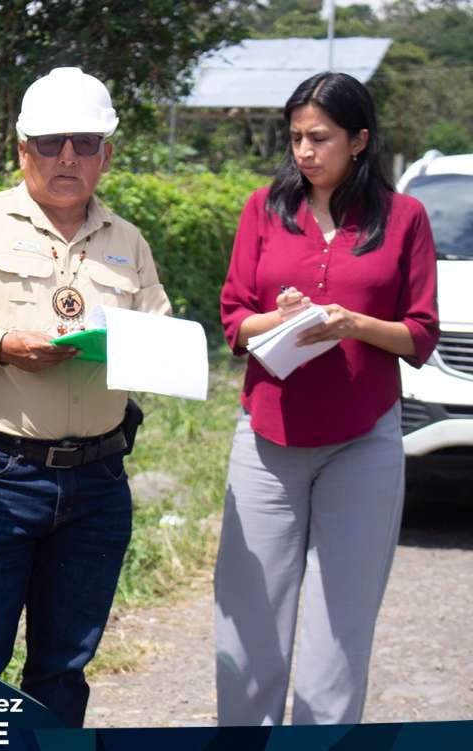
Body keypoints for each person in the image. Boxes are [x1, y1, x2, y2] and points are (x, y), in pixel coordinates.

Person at [0, 67, 171, 727]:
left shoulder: (126, 241)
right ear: (22, 149)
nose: (68, 157)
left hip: (99, 481)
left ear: (108, 152)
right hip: (2, 474)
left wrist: (136, 343)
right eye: (51, 143)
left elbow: (160, 329)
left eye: (84, 141)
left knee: (64, 665)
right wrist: (1, 345)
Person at [215, 72, 440, 725]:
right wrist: (281, 317)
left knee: (340, 628)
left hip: (362, 438)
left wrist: (352, 324)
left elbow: (419, 334)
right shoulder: (262, 208)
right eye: (296, 138)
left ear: (360, 140)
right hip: (266, 434)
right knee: (249, 625)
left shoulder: (405, 219)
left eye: (320, 137)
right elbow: (235, 319)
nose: (305, 152)